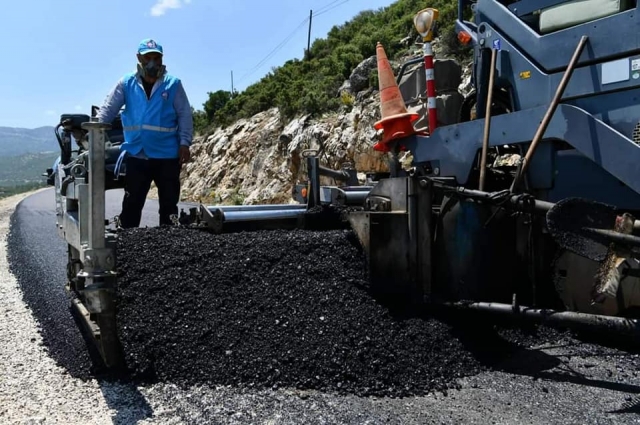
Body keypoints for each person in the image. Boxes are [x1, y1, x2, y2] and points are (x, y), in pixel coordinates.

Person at [96, 38, 193, 228]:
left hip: (167, 154)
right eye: (148, 57)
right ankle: (128, 245)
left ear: (162, 59)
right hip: (137, 153)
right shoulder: (126, 83)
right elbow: (107, 110)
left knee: (169, 205)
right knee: (132, 204)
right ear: (139, 58)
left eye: (157, 58)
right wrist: (95, 131)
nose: (152, 63)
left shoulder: (172, 84)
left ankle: (169, 244)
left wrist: (185, 143)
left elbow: (184, 114)